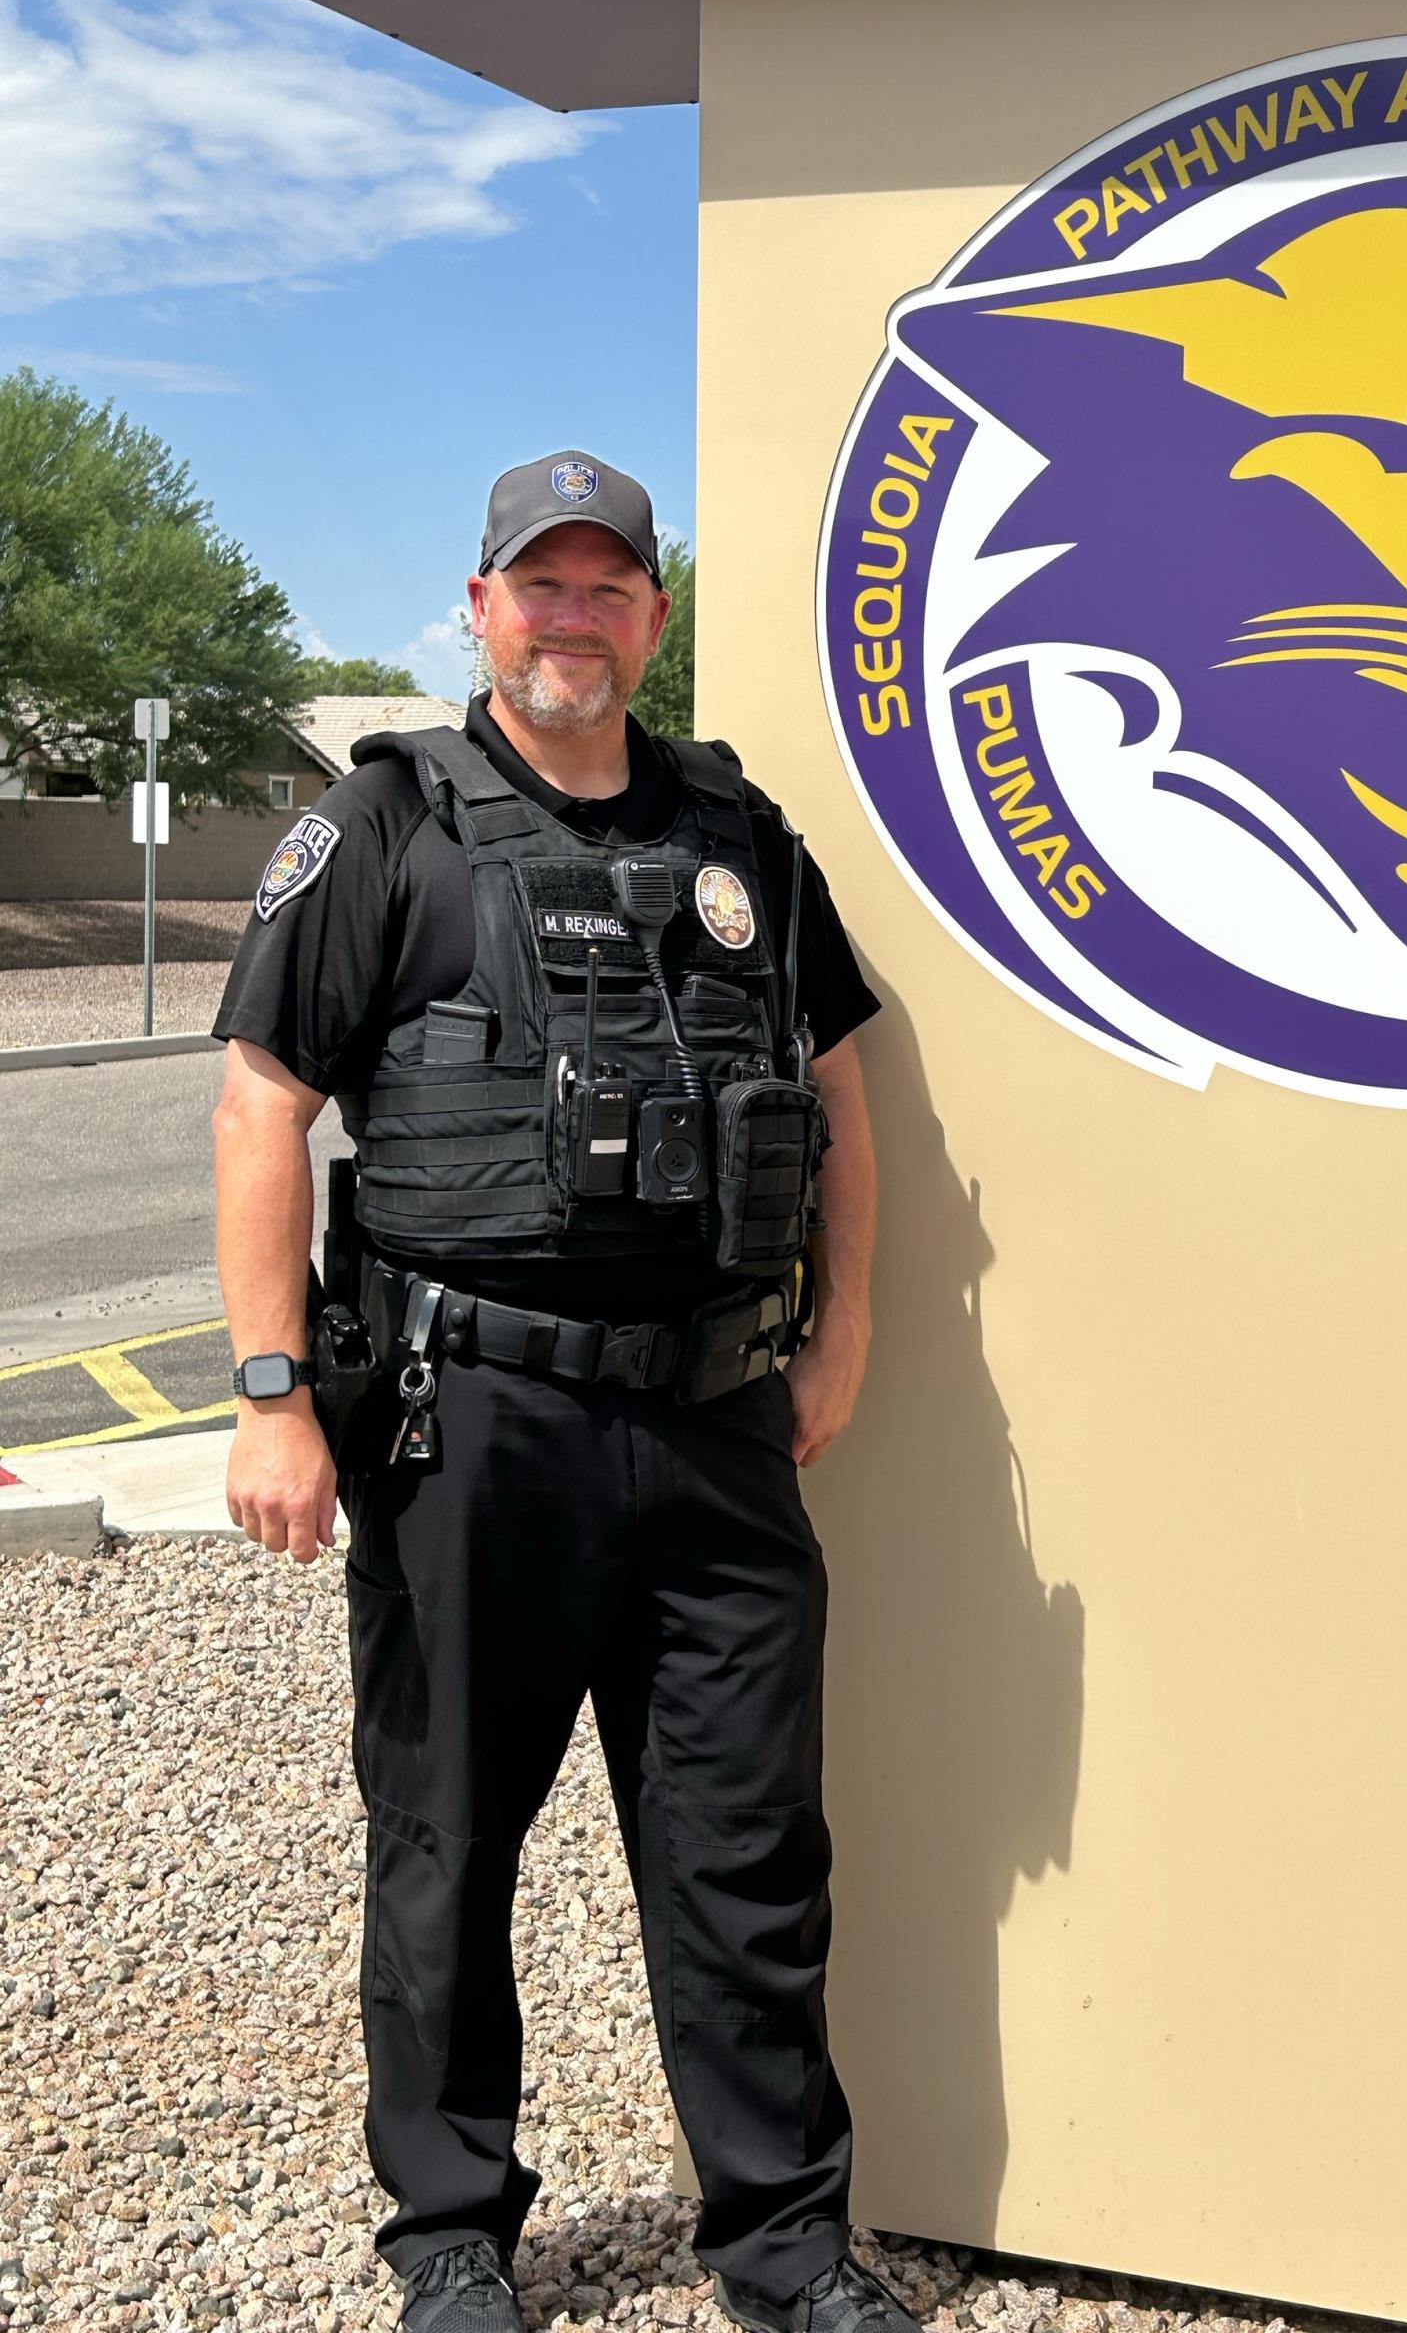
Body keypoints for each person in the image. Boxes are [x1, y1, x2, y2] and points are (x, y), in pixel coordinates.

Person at [210, 454, 913, 2333]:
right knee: (447, 1838)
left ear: (654, 620)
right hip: (470, 1425)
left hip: (712, 1422)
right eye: (543, 584)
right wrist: (273, 1389)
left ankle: (782, 2245)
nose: (574, 615)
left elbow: (840, 1083)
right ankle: (451, 2233)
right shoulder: (389, 829)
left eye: (611, 586)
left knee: (746, 1847)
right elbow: (263, 1105)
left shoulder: (737, 831)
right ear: (481, 607)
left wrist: (841, 1334)